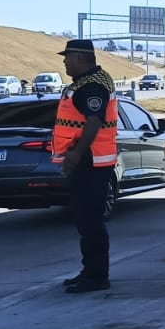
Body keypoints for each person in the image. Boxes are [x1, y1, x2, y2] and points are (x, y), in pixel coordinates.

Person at [52, 39, 119, 294]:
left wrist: (76, 154)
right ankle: (89, 271)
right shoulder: (85, 83)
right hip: (88, 161)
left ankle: (97, 276)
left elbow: (93, 122)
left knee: (91, 222)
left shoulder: (92, 86)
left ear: (81, 58)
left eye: (67, 57)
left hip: (91, 160)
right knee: (84, 221)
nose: (64, 61)